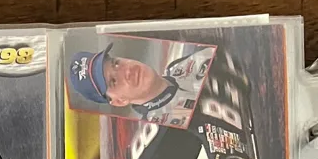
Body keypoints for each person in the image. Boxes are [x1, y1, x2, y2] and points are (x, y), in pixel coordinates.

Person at [69, 42, 216, 127]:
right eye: (113, 81)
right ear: (120, 101)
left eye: (116, 63)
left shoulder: (183, 65)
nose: (127, 71)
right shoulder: (161, 129)